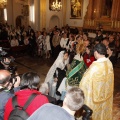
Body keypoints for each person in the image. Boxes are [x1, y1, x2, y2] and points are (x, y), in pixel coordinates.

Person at [79, 43, 114, 120]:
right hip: (106, 96)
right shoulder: (109, 63)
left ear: (96, 52)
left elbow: (84, 83)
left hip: (95, 99)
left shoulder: (95, 66)